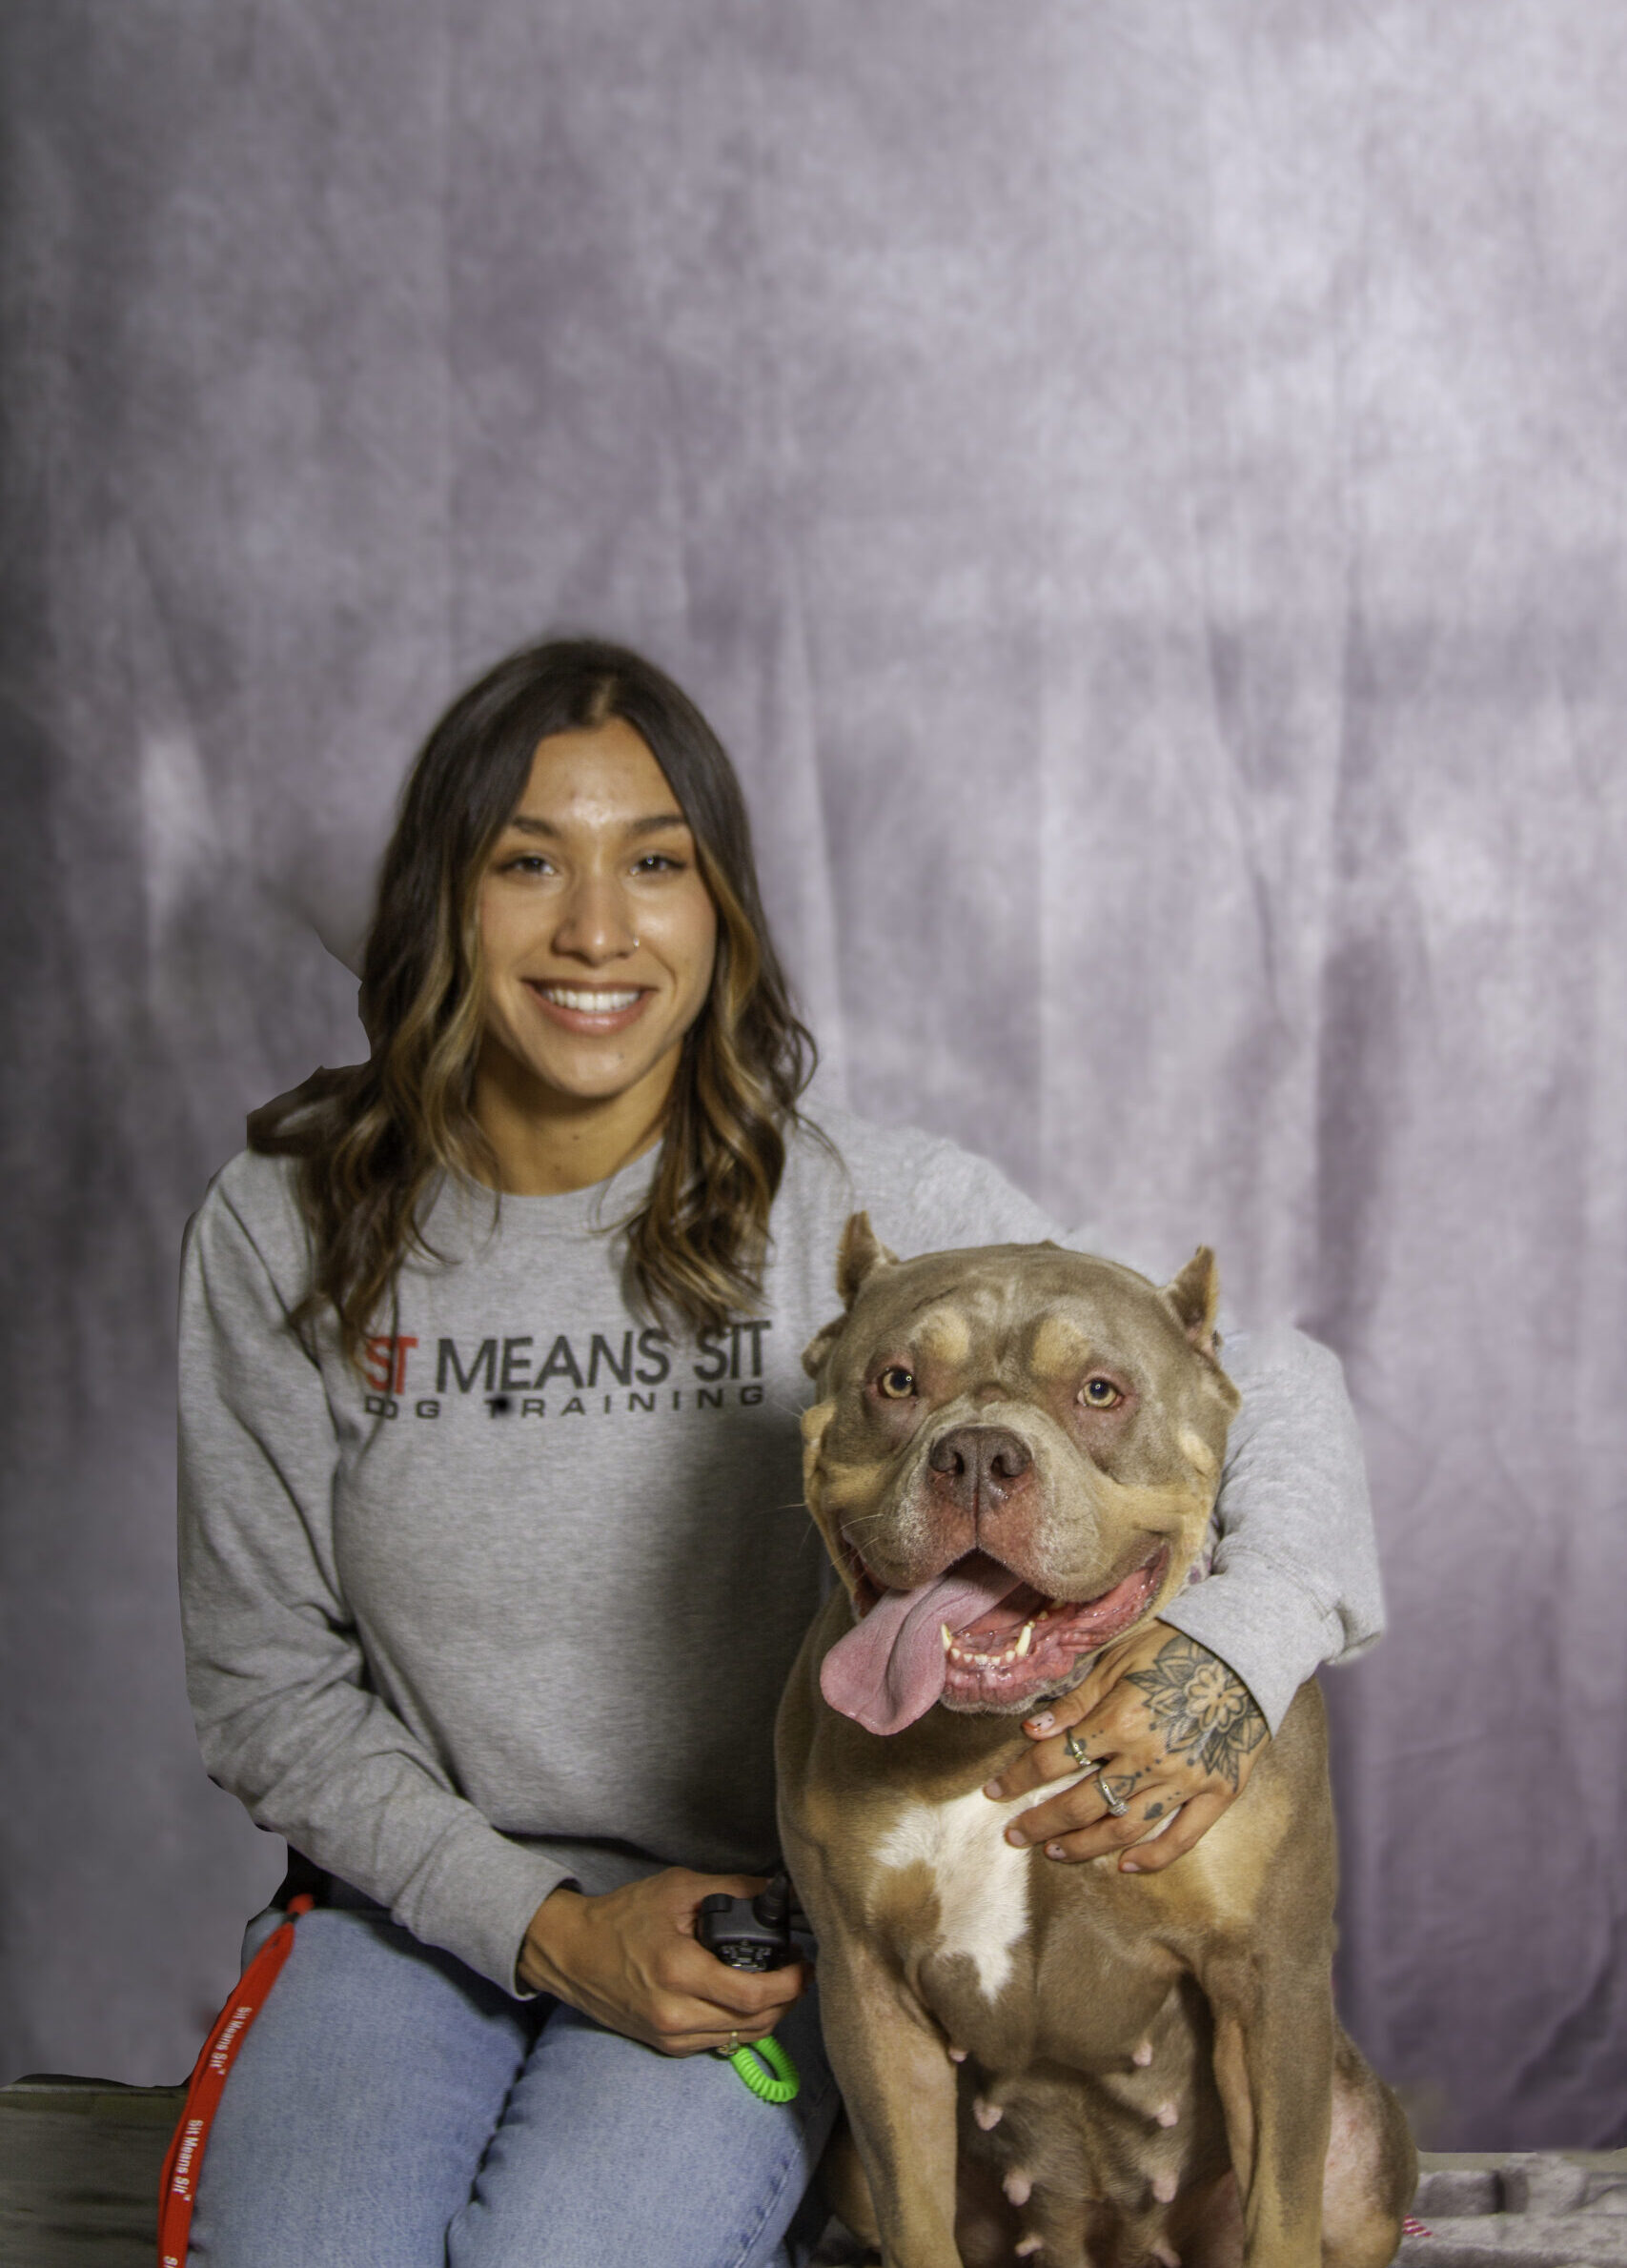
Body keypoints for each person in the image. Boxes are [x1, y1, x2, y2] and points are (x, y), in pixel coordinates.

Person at [176, 637, 1383, 2266]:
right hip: (404, 1905)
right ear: (439, 902)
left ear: (722, 911)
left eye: (656, 864)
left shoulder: (855, 1201)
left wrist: (1242, 1644)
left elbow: (1259, 1376)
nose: (597, 929)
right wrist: (540, 1927)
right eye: (528, 860)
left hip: (749, 1929)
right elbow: (268, 1690)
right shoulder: (288, 1224)